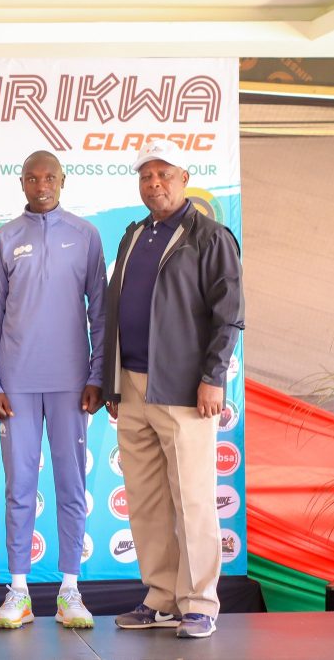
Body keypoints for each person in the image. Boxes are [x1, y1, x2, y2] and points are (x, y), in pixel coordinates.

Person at [103, 139, 244, 639]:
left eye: (164, 175)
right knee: (145, 499)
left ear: (184, 178)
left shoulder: (209, 236)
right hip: (133, 386)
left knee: (193, 499)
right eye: (146, 177)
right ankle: (161, 597)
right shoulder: (133, 234)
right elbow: (113, 311)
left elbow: (229, 316)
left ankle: (200, 601)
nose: (154, 184)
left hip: (184, 388)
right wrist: (111, 382)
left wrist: (212, 378)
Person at [0, 151, 107, 630]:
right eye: (32, 177)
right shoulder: (6, 237)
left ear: (62, 181)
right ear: (22, 183)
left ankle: (70, 591)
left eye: (49, 176)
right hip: (16, 383)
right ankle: (18, 591)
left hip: (72, 383)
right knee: (19, 489)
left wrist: (97, 375)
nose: (41, 184)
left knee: (71, 486)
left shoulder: (86, 235)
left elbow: (100, 312)